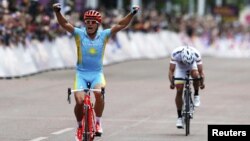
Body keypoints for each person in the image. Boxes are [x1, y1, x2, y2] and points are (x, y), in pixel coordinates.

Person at [52, 3, 140, 141]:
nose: (90, 24)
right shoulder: (79, 34)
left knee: (99, 94)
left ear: (98, 24)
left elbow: (121, 25)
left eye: (93, 22)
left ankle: (98, 122)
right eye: (88, 22)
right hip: (81, 74)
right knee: (80, 101)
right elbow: (64, 24)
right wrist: (57, 12)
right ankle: (80, 126)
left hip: (96, 74)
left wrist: (132, 13)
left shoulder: (104, 35)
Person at [168, 45, 205, 129]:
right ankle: (179, 117)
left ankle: (196, 94)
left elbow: (201, 72)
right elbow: (171, 71)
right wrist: (172, 83)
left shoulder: (196, 54)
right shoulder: (176, 54)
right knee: (179, 90)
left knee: (196, 75)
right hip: (180, 68)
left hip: (192, 67)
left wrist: (202, 83)